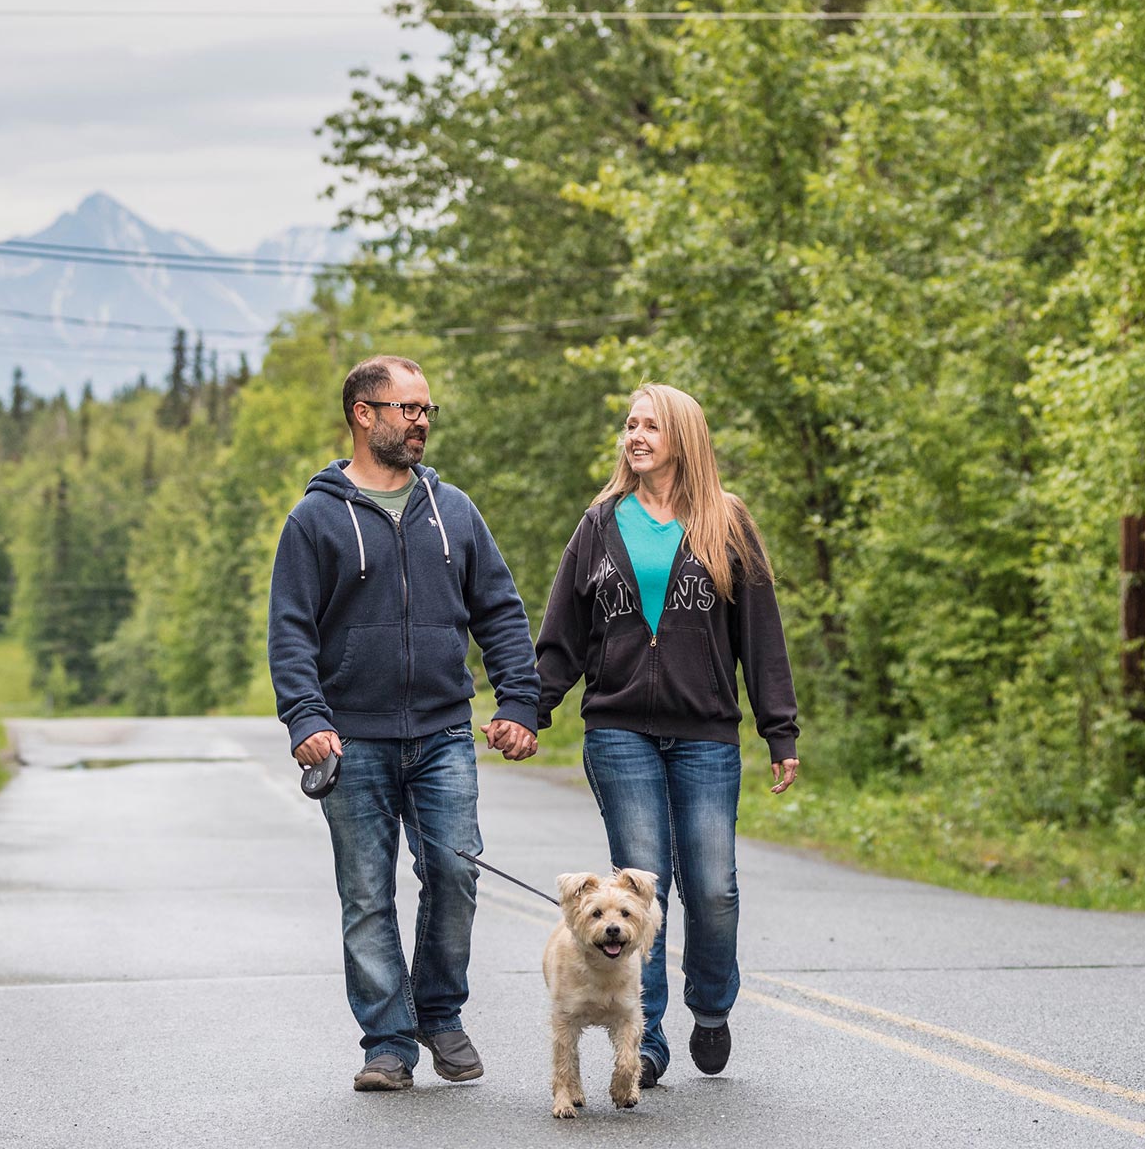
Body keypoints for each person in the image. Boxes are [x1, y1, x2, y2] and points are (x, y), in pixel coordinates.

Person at [268, 355, 540, 1092]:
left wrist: (519, 701)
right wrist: (306, 718)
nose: (421, 421)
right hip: (350, 739)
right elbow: (291, 631)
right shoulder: (315, 517)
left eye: (427, 410)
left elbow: (501, 612)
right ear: (364, 414)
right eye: (407, 408)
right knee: (366, 894)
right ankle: (387, 1042)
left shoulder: (454, 511)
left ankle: (440, 1012)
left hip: (444, 732)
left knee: (455, 872)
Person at [535, 382, 799, 1085]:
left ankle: (710, 1008)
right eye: (630, 424)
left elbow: (761, 638)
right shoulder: (599, 523)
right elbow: (562, 633)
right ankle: (644, 1040)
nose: (636, 436)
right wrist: (529, 710)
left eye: (651, 425)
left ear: (683, 438)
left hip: (706, 729)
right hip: (618, 727)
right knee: (643, 885)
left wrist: (781, 730)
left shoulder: (727, 521)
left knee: (713, 887)